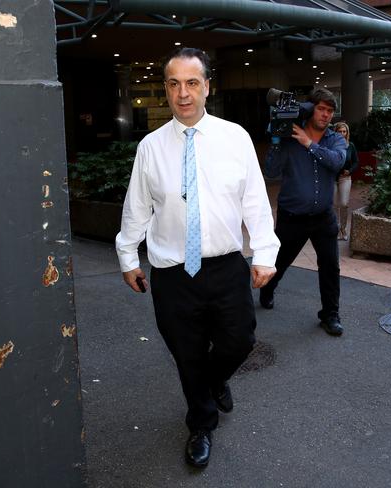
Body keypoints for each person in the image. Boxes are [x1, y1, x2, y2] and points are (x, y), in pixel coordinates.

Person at [115, 47, 280, 469]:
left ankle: (215, 380)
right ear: (166, 89)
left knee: (240, 340)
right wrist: (128, 257)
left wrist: (264, 252)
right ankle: (201, 424)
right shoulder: (151, 147)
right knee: (187, 355)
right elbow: (137, 207)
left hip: (225, 266)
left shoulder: (235, 138)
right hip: (172, 272)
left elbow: (255, 202)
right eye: (174, 84)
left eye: (192, 83)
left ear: (208, 86)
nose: (182, 93)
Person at [259, 88, 346, 336]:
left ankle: (330, 315)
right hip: (292, 217)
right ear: (310, 109)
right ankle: (268, 288)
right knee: (280, 261)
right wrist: (276, 139)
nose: (326, 115)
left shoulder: (335, 140)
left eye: (330, 111)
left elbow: (337, 162)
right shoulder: (289, 137)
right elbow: (271, 172)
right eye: (321, 109)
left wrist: (309, 144)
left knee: (330, 266)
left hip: (323, 218)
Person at [333, 122, 359, 240]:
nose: (342, 134)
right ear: (335, 132)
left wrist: (350, 171)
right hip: (332, 178)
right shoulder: (331, 144)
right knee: (333, 205)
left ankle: (343, 229)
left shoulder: (350, 145)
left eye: (344, 131)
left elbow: (356, 162)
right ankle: (336, 230)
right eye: (340, 131)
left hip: (345, 177)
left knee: (343, 204)